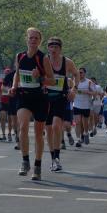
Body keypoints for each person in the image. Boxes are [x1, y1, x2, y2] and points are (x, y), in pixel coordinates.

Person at [10, 27, 55, 181]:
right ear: (26, 39)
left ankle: (37, 165)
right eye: (31, 38)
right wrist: (14, 86)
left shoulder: (43, 58)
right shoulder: (20, 56)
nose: (33, 40)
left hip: (40, 98)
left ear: (39, 41)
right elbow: (18, 72)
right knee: (22, 126)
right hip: (24, 96)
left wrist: (40, 77)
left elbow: (52, 80)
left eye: (36, 38)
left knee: (38, 133)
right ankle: (25, 161)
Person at [45, 37, 79, 172]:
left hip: (61, 96)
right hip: (46, 97)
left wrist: (74, 90)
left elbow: (76, 74)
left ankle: (57, 158)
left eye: (56, 46)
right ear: (48, 48)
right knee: (48, 129)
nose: (53, 49)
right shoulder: (44, 60)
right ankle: (53, 158)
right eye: (51, 46)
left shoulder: (67, 62)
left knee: (56, 125)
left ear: (60, 48)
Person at [73, 67, 95, 147]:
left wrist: (87, 92)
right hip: (76, 104)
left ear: (85, 73)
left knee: (85, 122)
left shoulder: (89, 82)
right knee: (77, 122)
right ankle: (78, 139)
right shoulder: (74, 81)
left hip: (86, 105)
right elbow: (72, 90)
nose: (80, 74)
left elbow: (94, 93)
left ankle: (86, 133)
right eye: (79, 73)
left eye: (81, 72)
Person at [2, 69, 20, 150]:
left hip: (25, 99)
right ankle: (17, 134)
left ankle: (19, 140)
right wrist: (8, 90)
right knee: (14, 121)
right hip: (13, 99)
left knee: (22, 121)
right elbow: (3, 86)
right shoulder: (10, 75)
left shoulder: (30, 71)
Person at [0, 68, 12, 142]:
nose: (7, 74)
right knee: (3, 118)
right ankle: (3, 135)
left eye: (8, 73)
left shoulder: (12, 81)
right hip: (3, 101)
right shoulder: (1, 81)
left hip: (10, 101)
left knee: (10, 119)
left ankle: (9, 134)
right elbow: (0, 90)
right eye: (6, 73)